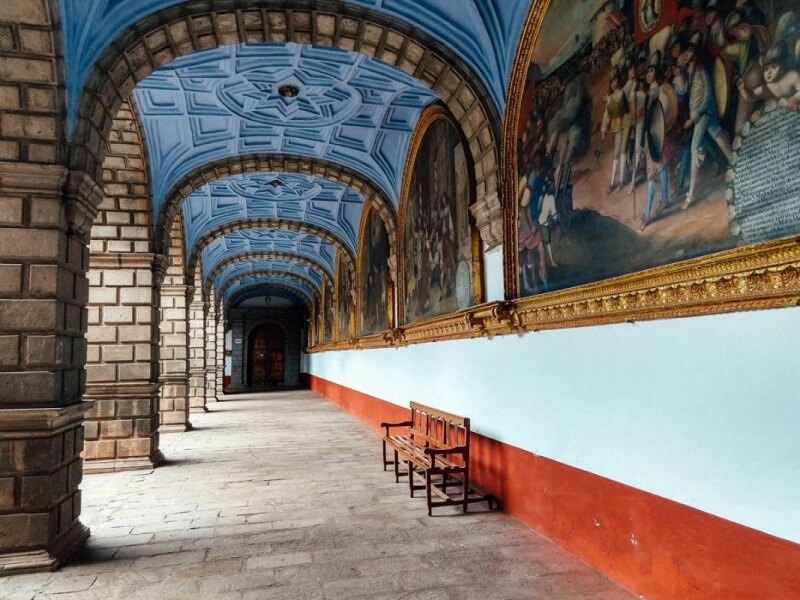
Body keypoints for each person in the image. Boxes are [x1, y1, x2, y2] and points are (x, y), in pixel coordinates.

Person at [680, 31, 733, 209]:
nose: (686, 56)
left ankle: (690, 195)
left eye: (688, 52)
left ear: (694, 53)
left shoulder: (701, 70)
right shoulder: (690, 73)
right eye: (684, 53)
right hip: (703, 115)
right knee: (719, 137)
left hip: (703, 115)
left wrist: (693, 118)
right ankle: (738, 165)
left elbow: (708, 95)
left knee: (696, 148)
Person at [738, 43, 800, 110]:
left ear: (783, 67)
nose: (769, 72)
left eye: (773, 67)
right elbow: (752, 97)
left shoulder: (792, 76)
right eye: (766, 69)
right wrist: (743, 89)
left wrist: (791, 100)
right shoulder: (766, 88)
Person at [601, 67, 629, 193]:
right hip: (616, 127)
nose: (613, 84)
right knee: (616, 154)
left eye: (615, 81)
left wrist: (610, 100)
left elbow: (619, 107)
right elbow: (607, 114)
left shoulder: (621, 93)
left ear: (618, 81)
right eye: (611, 82)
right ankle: (612, 183)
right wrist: (603, 129)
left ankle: (621, 181)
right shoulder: (611, 96)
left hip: (624, 124)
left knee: (623, 152)